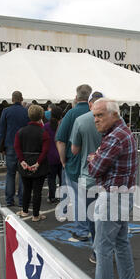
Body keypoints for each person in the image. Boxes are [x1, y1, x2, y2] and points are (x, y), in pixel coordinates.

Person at [88, 98, 138, 279]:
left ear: (114, 115)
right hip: (124, 195)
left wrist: (94, 158)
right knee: (121, 242)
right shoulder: (123, 132)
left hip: (112, 198)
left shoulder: (114, 137)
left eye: (100, 115)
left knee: (103, 249)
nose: (96, 120)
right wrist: (97, 157)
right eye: (95, 116)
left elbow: (95, 169)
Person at [70, 91, 104, 261]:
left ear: (90, 103)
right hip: (107, 177)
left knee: (92, 216)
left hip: (88, 175)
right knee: (107, 216)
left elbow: (74, 150)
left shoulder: (81, 120)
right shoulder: (111, 119)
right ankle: (104, 249)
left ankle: (97, 251)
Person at [55, 84, 92, 234]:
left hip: (75, 163)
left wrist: (63, 161)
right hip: (95, 163)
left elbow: (61, 141)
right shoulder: (96, 113)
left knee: (78, 198)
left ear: (76, 97)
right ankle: (93, 228)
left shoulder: (71, 114)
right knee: (93, 197)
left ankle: (82, 230)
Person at [14, 105, 50, 222]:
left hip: (24, 163)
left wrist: (22, 161)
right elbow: (45, 150)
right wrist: (38, 163)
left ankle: (24, 211)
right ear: (41, 116)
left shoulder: (20, 131)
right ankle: (35, 215)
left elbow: (17, 147)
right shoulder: (43, 132)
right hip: (39, 164)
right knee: (37, 191)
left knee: (26, 188)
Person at [0, 91, 29, 207]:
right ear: (21, 99)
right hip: (23, 146)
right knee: (22, 174)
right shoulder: (26, 111)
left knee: (10, 174)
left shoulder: (6, 111)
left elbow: (2, 131)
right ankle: (22, 200)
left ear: (12, 99)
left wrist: (1, 148)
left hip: (10, 145)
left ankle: (9, 200)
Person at [43, 105, 63, 203]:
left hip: (50, 155)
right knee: (62, 178)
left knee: (51, 178)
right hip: (61, 155)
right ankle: (63, 196)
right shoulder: (63, 125)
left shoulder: (46, 126)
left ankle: (52, 196)